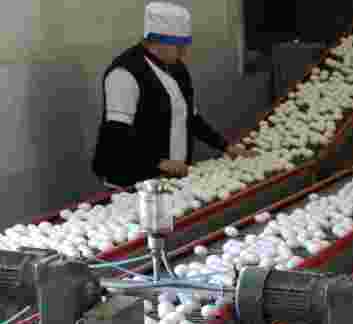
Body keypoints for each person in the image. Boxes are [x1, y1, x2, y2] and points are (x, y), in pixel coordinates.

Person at [92, 1, 252, 189]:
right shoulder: (125, 73)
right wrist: (160, 163)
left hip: (170, 179)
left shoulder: (177, 69)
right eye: (180, 46)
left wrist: (226, 147)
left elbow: (191, 118)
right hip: (133, 181)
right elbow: (116, 135)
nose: (185, 52)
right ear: (158, 41)